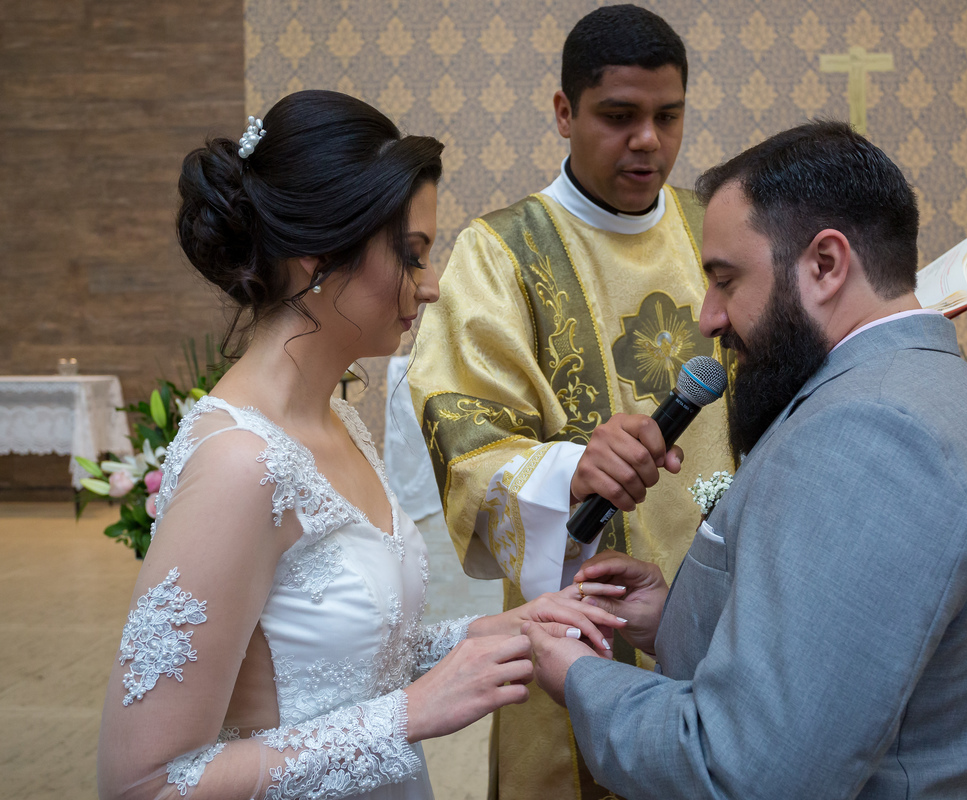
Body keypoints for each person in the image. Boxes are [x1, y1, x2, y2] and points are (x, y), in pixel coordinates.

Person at [95, 90, 622, 800]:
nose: (431, 287)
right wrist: (407, 717)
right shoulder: (240, 463)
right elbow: (145, 783)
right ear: (317, 255)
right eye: (412, 255)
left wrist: (498, 632)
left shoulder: (339, 422)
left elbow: (349, 663)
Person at [524, 121, 967, 799]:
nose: (709, 318)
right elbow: (851, 656)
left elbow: (747, 773)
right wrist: (682, 615)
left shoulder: (872, 434)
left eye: (726, 280)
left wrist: (578, 677)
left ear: (825, 265)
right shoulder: (920, 383)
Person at [408, 6, 735, 798]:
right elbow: (464, 433)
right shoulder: (501, 251)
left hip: (730, 604)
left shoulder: (717, 231)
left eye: (668, 116)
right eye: (619, 116)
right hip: (582, 615)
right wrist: (571, 468)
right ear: (564, 111)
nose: (647, 140)